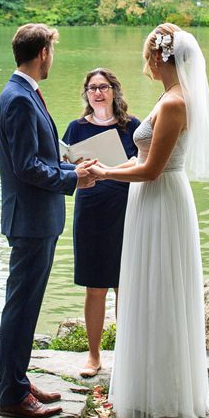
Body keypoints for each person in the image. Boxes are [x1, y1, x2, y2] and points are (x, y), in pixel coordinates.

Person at [95, 24, 209, 418]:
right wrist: (105, 168)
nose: (143, 61)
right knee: (146, 289)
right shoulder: (168, 98)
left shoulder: (174, 104)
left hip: (162, 200)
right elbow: (143, 159)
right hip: (151, 200)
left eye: (145, 53)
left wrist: (105, 175)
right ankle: (146, 387)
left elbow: (152, 170)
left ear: (158, 57)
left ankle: (164, 395)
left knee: (161, 290)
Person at [0, 23, 98, 418]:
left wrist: (71, 163)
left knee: (27, 304)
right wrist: (75, 178)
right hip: (31, 220)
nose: (52, 58)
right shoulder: (19, 98)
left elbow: (39, 155)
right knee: (20, 307)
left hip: (37, 217)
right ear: (41, 54)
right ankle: (12, 395)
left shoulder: (24, 93)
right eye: (52, 51)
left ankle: (17, 380)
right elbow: (26, 167)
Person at [64, 68, 141, 379]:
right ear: (86, 94)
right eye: (92, 88)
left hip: (125, 207)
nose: (98, 93)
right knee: (94, 287)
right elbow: (65, 162)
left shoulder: (131, 125)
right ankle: (94, 356)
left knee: (125, 286)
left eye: (104, 87)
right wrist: (76, 167)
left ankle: (125, 356)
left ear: (114, 91)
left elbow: (140, 161)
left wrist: (106, 168)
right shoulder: (76, 127)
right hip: (90, 210)